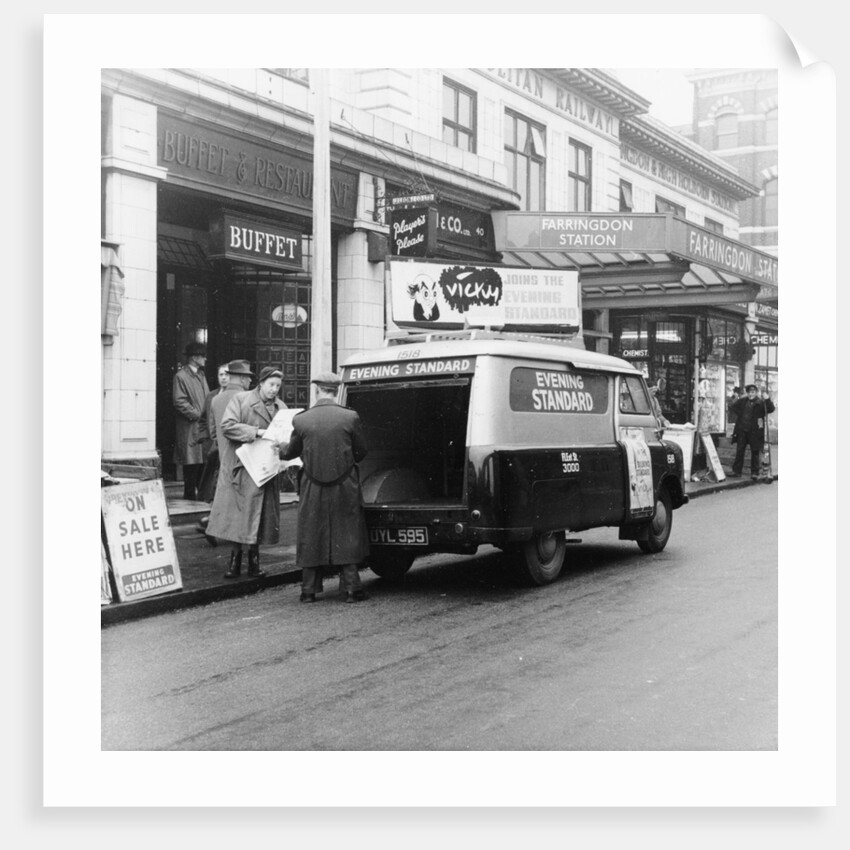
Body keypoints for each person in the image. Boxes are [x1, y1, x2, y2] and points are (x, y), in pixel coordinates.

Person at [283, 372, 370, 604]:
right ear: (335, 391)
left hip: (312, 485)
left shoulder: (301, 419)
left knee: (311, 533)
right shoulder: (350, 417)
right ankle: (352, 589)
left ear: (317, 390)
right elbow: (361, 453)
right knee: (348, 532)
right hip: (345, 485)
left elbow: (289, 452)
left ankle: (308, 591)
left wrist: (279, 448)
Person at [206, 364, 287, 580]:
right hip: (242, 469)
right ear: (261, 383)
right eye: (271, 385)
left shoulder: (281, 407)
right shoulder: (241, 401)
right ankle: (234, 563)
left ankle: (254, 563)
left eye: (278, 386)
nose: (274, 390)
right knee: (240, 518)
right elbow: (227, 426)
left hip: (265, 470)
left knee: (258, 519)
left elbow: (286, 434)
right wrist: (257, 432)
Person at [172, 342, 210, 501]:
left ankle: (200, 495)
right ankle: (189, 496)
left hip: (201, 426)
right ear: (194, 358)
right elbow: (179, 401)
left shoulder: (201, 375)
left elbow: (207, 397)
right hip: (190, 426)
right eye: (202, 356)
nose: (205, 359)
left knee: (200, 461)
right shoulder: (181, 376)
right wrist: (197, 415)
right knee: (191, 463)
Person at [195, 363, 230, 529]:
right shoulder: (211, 396)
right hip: (212, 449)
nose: (223, 377)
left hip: (227, 448)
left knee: (221, 484)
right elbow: (203, 419)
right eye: (221, 374)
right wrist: (205, 440)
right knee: (212, 485)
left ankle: (213, 521)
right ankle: (214, 520)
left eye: (227, 374)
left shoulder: (236, 397)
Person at [728, 383, 775, 479]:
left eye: (753, 392)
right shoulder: (742, 401)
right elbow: (732, 406)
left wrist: (767, 399)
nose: (751, 394)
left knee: (755, 452)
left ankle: (755, 472)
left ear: (756, 393)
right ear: (747, 393)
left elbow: (771, 409)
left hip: (755, 431)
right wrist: (740, 414)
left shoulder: (761, 402)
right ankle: (737, 471)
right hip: (742, 430)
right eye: (749, 392)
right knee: (740, 451)